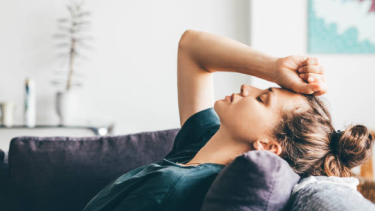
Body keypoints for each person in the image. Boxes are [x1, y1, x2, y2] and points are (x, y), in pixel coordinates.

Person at [82, 30, 374, 211]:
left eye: (262, 98)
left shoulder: (173, 186)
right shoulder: (202, 142)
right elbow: (192, 47)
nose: (248, 88)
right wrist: (275, 69)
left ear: (268, 146)